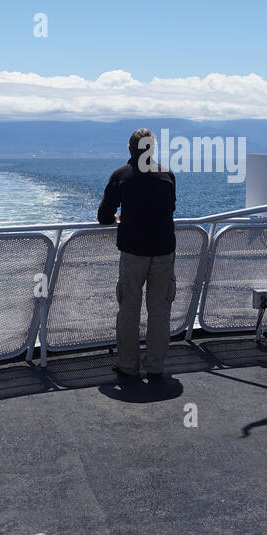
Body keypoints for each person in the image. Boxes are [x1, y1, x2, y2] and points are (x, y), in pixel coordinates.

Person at [97, 128, 177, 381]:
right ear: (152, 149)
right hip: (164, 250)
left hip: (133, 252)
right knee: (160, 310)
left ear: (130, 149)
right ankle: (155, 366)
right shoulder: (167, 175)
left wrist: (118, 218)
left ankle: (128, 366)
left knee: (129, 309)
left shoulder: (121, 176)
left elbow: (104, 217)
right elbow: (170, 208)